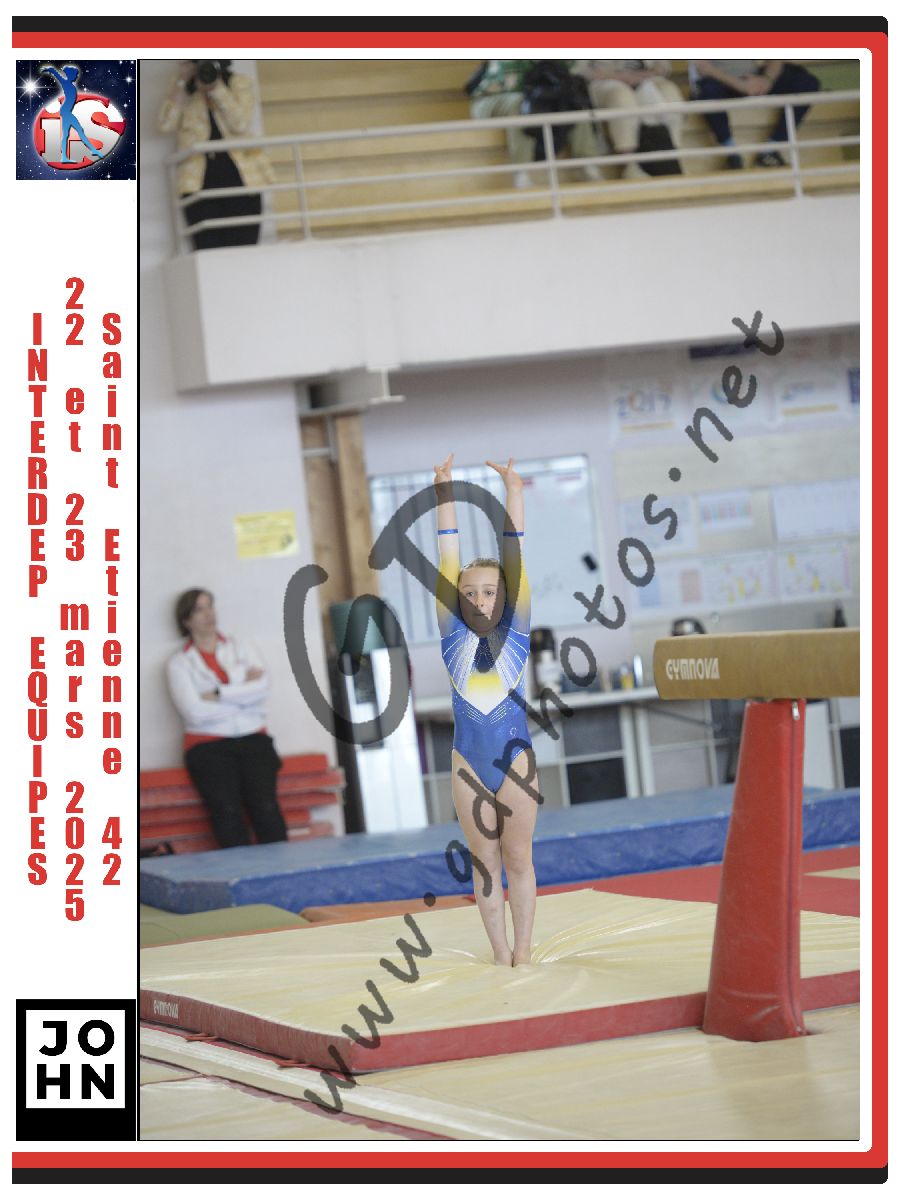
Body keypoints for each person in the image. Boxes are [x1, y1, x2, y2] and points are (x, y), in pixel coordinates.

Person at [433, 454, 537, 966]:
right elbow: (447, 552)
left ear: (505, 596)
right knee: (485, 860)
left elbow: (513, 551)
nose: (478, 599)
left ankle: (524, 950)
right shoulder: (450, 628)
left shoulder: (517, 627)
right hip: (468, 761)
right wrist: (444, 491)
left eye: (489, 591)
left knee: (518, 857)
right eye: (468, 592)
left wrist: (513, 490)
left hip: (515, 758)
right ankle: (499, 953)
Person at [166, 588, 287, 849]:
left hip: (254, 739)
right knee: (227, 814)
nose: (208, 614)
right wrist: (244, 700)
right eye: (199, 609)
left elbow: (263, 688)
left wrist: (220, 693)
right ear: (186, 620)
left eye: (210, 606)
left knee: (267, 809)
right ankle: (240, 872)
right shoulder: (179, 663)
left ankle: (282, 870)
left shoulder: (242, 647)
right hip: (208, 747)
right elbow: (194, 711)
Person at [158, 60, 274, 250]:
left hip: (241, 178)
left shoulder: (238, 83)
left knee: (244, 249)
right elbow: (165, 123)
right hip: (198, 181)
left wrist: (217, 89)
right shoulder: (185, 88)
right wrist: (182, 81)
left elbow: (241, 124)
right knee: (208, 250)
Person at [467, 60, 602, 189]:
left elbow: (570, 72)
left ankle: (587, 163)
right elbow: (515, 86)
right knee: (520, 103)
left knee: (574, 99)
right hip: (488, 99)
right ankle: (521, 171)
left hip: (534, 96)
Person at [689, 60, 821, 169]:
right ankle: (731, 153)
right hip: (721, 82)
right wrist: (741, 85)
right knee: (706, 91)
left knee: (807, 82)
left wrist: (767, 80)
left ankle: (771, 149)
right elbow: (703, 67)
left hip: (754, 79)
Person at [572, 60, 684, 177]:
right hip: (603, 79)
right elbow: (579, 70)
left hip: (645, 77)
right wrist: (619, 76)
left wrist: (648, 73)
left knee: (671, 93)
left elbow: (664, 67)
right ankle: (630, 164)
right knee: (622, 97)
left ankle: (672, 158)